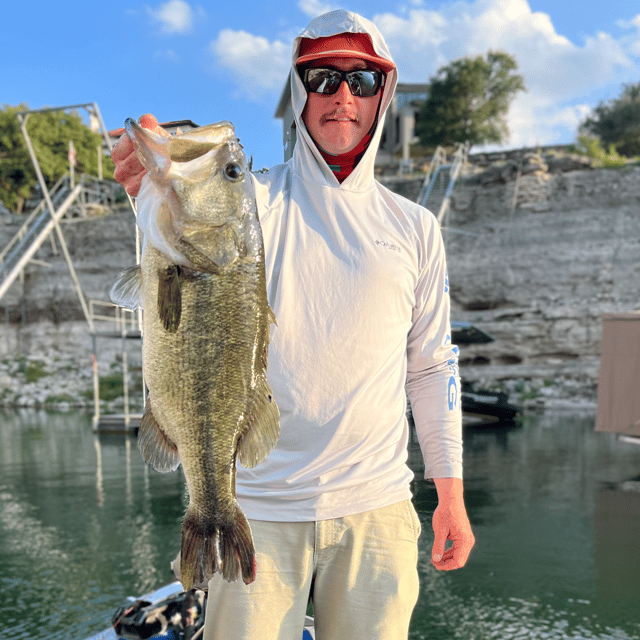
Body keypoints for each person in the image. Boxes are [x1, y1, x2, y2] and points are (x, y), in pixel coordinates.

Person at [112, 9, 474, 640]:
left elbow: (434, 365)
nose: (341, 96)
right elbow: (183, 237)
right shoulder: (251, 200)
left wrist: (452, 494)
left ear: (383, 95)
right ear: (300, 91)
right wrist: (146, 187)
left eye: (361, 80)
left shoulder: (416, 228)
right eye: (322, 77)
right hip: (255, 506)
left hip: (378, 507)